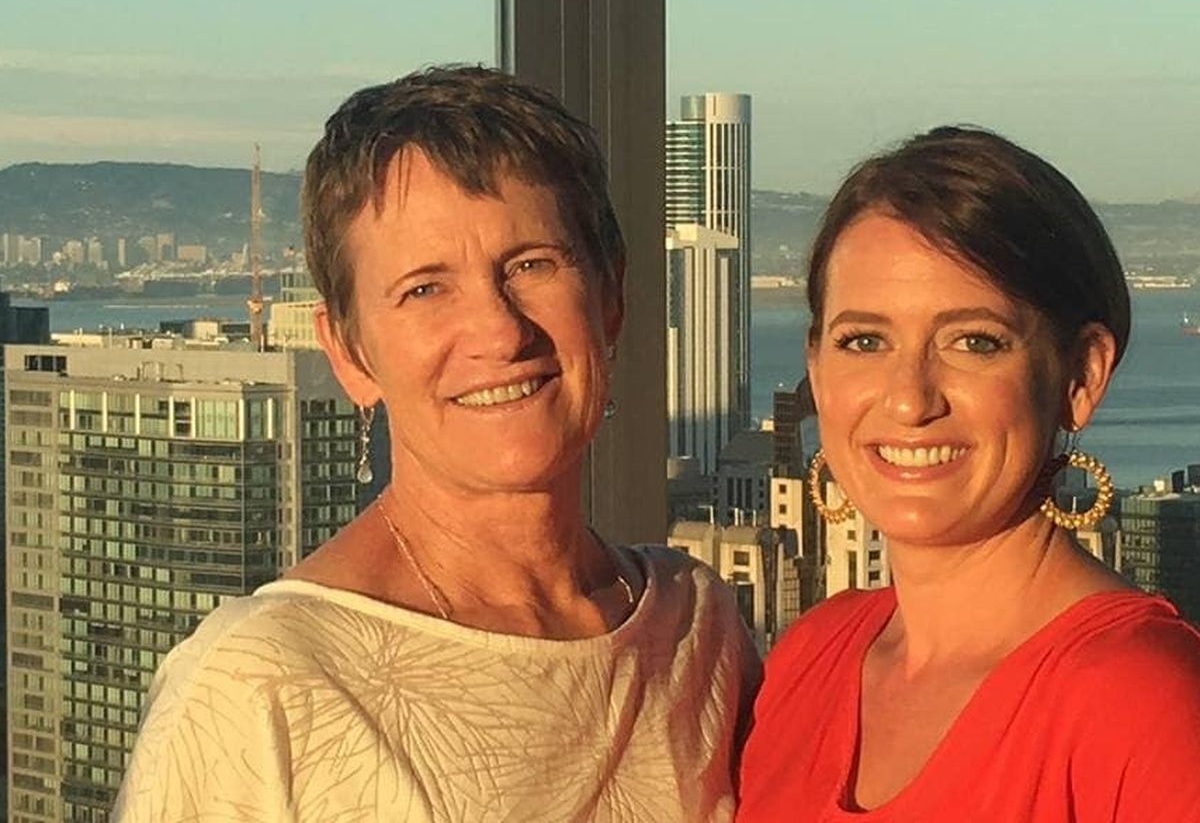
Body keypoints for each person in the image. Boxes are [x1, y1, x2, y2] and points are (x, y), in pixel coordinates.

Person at [115, 65, 760, 822]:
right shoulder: (259, 688)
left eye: (531, 265)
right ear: (349, 352)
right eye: (425, 288)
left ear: (611, 297)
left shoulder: (694, 628)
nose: (499, 331)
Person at [737, 127, 1200, 821]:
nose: (909, 400)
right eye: (864, 341)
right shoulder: (807, 659)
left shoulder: (1146, 706)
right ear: (816, 369)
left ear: (1080, 376)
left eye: (974, 342)